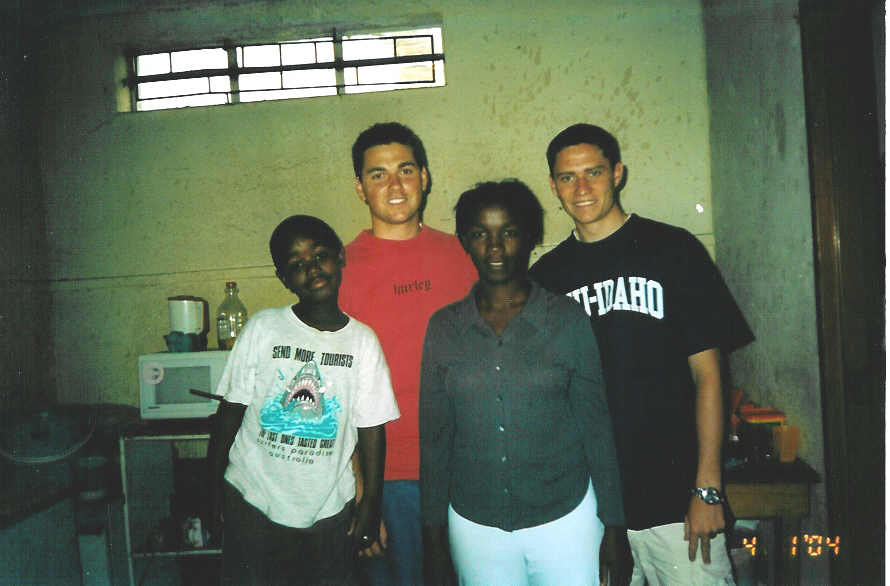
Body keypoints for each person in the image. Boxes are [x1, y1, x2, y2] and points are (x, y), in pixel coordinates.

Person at [529, 123, 754, 585]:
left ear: (618, 173)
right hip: (592, 509)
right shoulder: (545, 278)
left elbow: (709, 375)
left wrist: (708, 490)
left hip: (678, 500)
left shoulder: (673, 250)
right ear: (553, 186)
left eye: (593, 172)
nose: (582, 187)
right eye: (567, 177)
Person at [419, 179, 625, 586]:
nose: (495, 248)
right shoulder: (444, 328)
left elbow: (597, 428)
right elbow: (435, 440)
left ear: (531, 235)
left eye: (509, 233)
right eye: (480, 234)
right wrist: (433, 542)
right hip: (476, 527)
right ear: (464, 240)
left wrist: (615, 529)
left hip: (565, 520)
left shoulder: (566, 320)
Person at [205, 215, 401, 586]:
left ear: (340, 257)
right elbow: (230, 413)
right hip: (253, 501)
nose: (312, 269)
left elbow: (372, 429)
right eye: (296, 265)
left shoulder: (363, 343)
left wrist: (371, 506)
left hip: (329, 510)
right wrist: (211, 488)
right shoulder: (264, 328)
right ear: (283, 279)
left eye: (320, 255)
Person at [339, 122, 478, 586]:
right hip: (386, 479)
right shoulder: (338, 271)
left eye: (405, 170)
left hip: (468, 471)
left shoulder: (466, 255)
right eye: (378, 175)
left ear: (425, 177)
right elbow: (335, 392)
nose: (395, 186)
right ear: (360, 188)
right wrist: (365, 496)